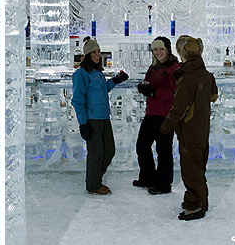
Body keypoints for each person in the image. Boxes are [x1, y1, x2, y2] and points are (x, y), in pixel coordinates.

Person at [160, 36, 218, 221]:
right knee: (199, 167)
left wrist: (164, 128)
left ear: (182, 52)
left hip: (190, 131)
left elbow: (178, 109)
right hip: (202, 129)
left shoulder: (187, 78)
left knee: (190, 170)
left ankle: (194, 206)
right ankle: (202, 201)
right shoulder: (207, 75)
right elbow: (214, 96)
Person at [72, 39, 129, 195]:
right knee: (96, 153)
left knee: (109, 150)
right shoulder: (80, 74)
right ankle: (93, 185)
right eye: (94, 52)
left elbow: (102, 89)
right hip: (92, 119)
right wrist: (83, 123)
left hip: (104, 117)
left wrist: (115, 80)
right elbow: (77, 100)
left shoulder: (97, 72)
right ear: (87, 55)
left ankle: (95, 178)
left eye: (98, 52)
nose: (97, 55)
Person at [133, 36, 180, 195]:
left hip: (165, 115)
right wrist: (144, 87)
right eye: (155, 49)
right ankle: (147, 177)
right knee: (142, 145)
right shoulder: (153, 67)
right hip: (151, 112)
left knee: (163, 149)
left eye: (161, 49)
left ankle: (163, 184)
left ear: (167, 49)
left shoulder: (174, 68)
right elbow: (149, 84)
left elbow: (176, 93)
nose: (158, 52)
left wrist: (154, 92)